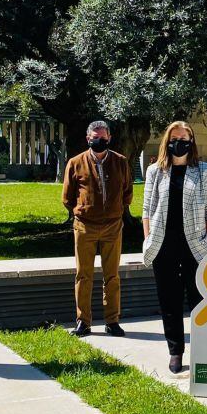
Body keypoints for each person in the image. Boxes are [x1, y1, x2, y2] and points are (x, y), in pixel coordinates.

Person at [142, 121, 207, 374]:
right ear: (167, 141)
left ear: (192, 141)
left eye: (185, 137)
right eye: (175, 138)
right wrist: (148, 238)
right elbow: (147, 210)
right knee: (169, 300)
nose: (180, 142)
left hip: (195, 245)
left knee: (199, 299)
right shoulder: (155, 171)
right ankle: (175, 351)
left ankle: (202, 349)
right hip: (164, 245)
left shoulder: (204, 170)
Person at [63, 120, 134, 338]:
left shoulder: (121, 162)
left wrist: (116, 211)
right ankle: (83, 322)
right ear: (88, 139)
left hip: (113, 226)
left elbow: (128, 192)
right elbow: (67, 197)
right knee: (83, 275)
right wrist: (82, 210)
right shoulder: (75, 163)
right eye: (95, 138)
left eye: (103, 138)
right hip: (84, 226)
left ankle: (112, 321)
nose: (99, 141)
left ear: (109, 138)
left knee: (112, 275)